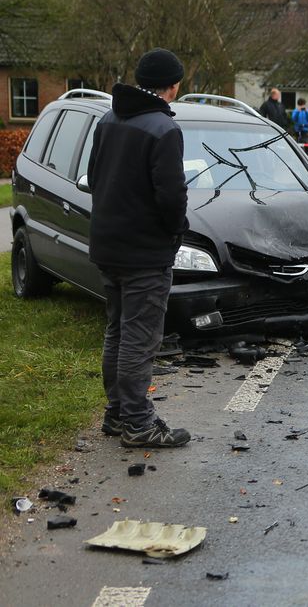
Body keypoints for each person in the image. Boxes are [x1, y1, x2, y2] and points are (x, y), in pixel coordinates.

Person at [86, 48, 191, 448]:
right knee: (140, 338)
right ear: (174, 85)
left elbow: (95, 177)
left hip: (107, 246)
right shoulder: (164, 130)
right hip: (144, 252)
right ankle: (138, 423)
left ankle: (116, 415)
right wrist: (175, 231)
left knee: (117, 331)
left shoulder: (109, 119)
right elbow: (171, 196)